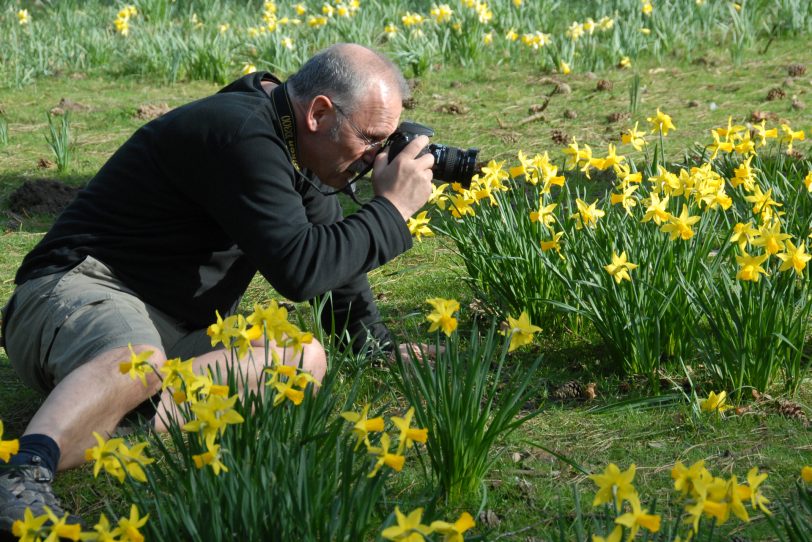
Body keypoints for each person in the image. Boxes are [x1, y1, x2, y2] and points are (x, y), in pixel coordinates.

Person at [0, 42, 435, 530]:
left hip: (166, 327)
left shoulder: (296, 147)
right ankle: (24, 473)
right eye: (374, 139)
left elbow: (330, 259)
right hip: (75, 289)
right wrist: (393, 210)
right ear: (318, 112)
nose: (377, 158)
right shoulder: (243, 135)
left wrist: (372, 343)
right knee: (138, 365)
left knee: (302, 360)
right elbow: (301, 270)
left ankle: (98, 430)